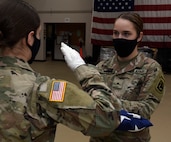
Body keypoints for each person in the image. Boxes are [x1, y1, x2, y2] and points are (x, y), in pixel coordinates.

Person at [0, 0, 153, 141]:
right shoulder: (46, 90)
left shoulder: (150, 68)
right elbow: (105, 117)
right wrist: (82, 68)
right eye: (40, 34)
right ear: (31, 38)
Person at [61, 12, 165, 142]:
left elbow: (144, 110)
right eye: (116, 33)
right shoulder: (102, 66)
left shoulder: (150, 68)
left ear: (139, 37)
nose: (119, 38)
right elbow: (89, 101)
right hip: (100, 138)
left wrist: (105, 103)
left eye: (126, 34)